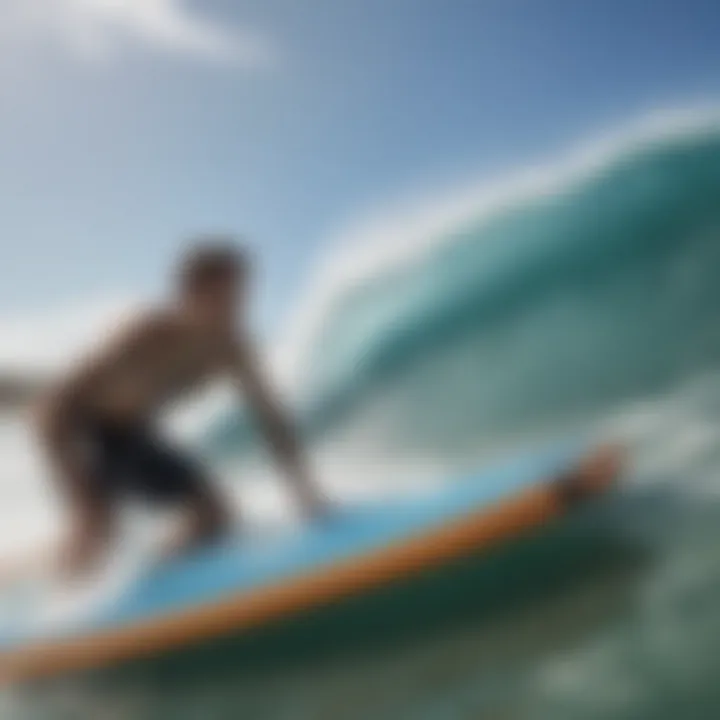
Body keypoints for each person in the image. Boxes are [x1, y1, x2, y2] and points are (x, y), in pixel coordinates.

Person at [34, 238, 326, 577]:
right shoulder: (147, 332)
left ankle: (155, 579)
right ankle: (64, 607)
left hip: (131, 435)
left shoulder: (232, 347)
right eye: (221, 299)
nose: (233, 309)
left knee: (216, 516)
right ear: (188, 295)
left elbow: (271, 419)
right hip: (76, 428)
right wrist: (80, 497)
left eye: (239, 297)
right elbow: (56, 405)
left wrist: (304, 490)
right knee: (97, 529)